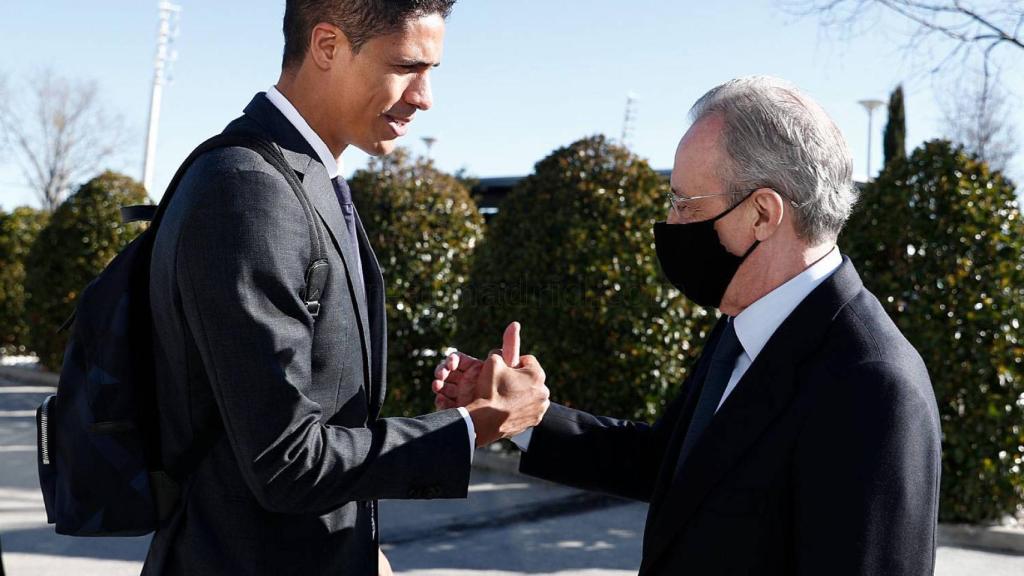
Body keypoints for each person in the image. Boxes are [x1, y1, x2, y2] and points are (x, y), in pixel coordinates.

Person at [435, 76, 941, 575]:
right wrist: (525, 414)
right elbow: (671, 463)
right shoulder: (745, 323)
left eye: (684, 204)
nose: (671, 226)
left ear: (763, 213)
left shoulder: (872, 385)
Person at [143, 2, 549, 575]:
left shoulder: (304, 178)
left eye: (432, 71)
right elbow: (287, 462)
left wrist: (363, 547)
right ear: (328, 46)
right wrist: (472, 427)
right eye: (408, 66)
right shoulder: (251, 192)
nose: (424, 96)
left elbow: (318, 420)